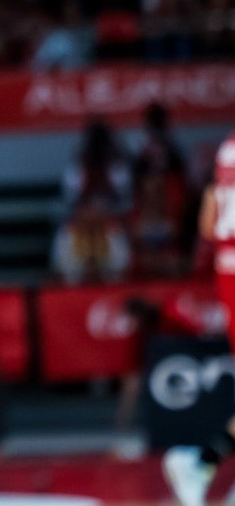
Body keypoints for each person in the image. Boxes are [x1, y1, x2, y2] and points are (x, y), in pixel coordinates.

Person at [164, 131, 235, 504]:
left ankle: (201, 462)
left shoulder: (227, 145)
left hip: (228, 275)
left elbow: (209, 223)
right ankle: (199, 460)